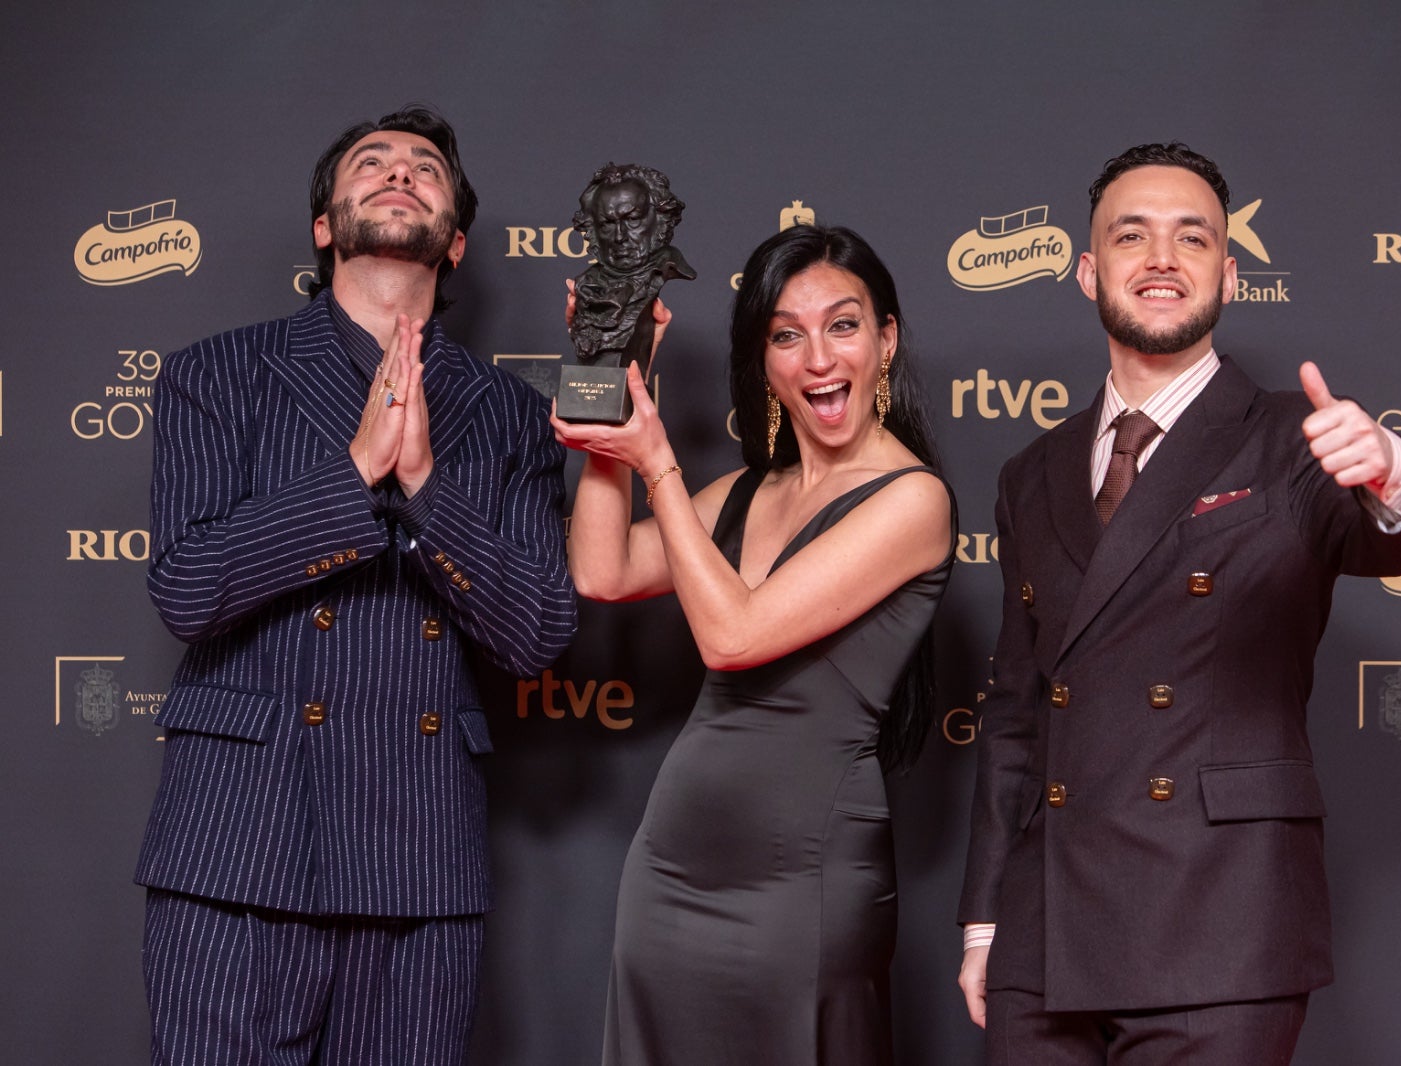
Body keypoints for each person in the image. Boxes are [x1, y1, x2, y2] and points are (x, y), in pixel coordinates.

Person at [956, 143, 1401, 1065]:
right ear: (1086, 271)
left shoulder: (1295, 440)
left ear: (1227, 274)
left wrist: (1394, 474)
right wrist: (986, 917)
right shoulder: (1031, 474)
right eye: (1131, 235)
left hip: (1219, 919)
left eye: (1192, 238)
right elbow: (1017, 715)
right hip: (1044, 925)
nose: (1160, 258)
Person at [135, 106, 576, 1066]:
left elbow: (539, 629)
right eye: (370, 163)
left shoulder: (510, 415)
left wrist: (421, 488)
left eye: (424, 168)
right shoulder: (218, 375)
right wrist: (353, 475)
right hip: (237, 848)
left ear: (454, 237)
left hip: (420, 856)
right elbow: (188, 588)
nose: (398, 173)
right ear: (324, 226)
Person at [552, 224, 956, 1065]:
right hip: (670, 868)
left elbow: (733, 638)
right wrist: (616, 393)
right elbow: (602, 570)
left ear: (885, 342)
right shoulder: (743, 491)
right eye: (786, 334)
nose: (818, 358)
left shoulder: (912, 499)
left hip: (802, 877)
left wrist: (658, 463)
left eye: (843, 326)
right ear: (763, 361)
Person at [568, 162, 696, 372]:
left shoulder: (667, 267)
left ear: (660, 218)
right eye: (607, 223)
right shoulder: (586, 284)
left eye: (633, 219)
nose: (620, 236)